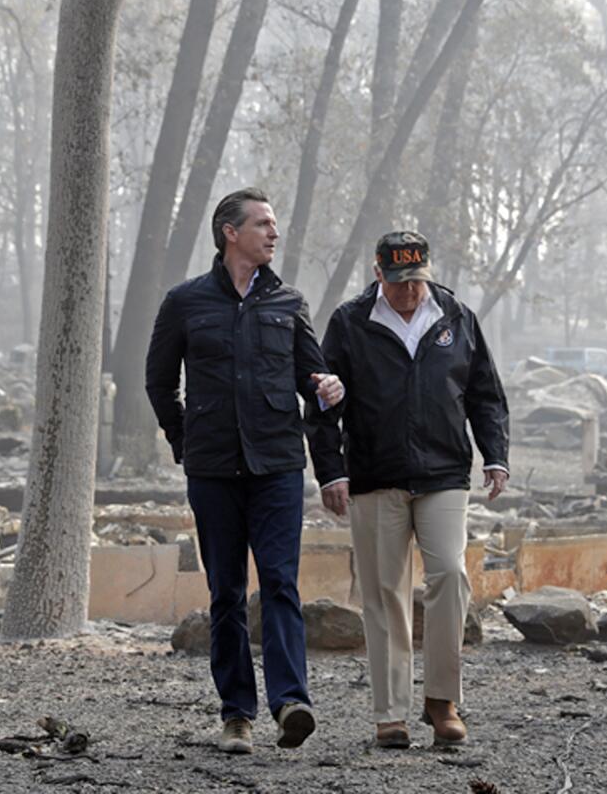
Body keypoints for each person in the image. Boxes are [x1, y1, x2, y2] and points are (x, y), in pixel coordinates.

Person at [145, 188, 344, 754]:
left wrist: (329, 386)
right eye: (262, 224)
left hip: (278, 464)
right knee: (226, 591)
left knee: (280, 582)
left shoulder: (289, 303)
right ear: (230, 232)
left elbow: (316, 377)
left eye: (274, 224)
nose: (273, 233)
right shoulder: (184, 303)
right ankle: (237, 714)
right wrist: (186, 441)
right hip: (211, 470)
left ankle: (290, 702)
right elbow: (159, 383)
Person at [306, 230, 509, 748]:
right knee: (384, 594)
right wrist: (330, 470)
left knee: (450, 576)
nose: (409, 293)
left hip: (443, 471)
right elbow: (323, 402)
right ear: (379, 275)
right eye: (398, 284)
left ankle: (442, 701)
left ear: (428, 270)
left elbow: (485, 392)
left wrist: (496, 455)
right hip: (375, 474)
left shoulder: (456, 317)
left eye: (416, 281)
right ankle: (390, 712)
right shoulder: (351, 323)